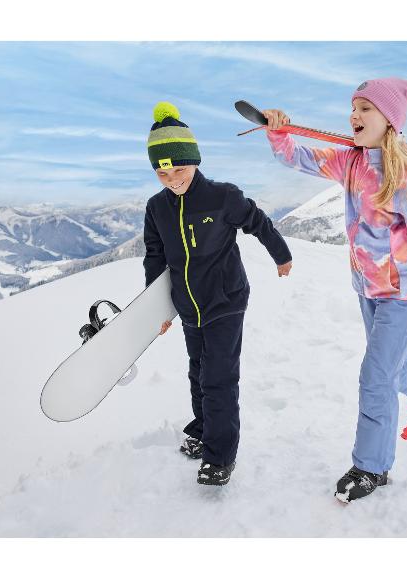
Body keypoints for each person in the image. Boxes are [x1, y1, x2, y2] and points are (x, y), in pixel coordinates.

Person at [261, 78, 407, 502]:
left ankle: (371, 467)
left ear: (389, 120)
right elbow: (298, 156)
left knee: (376, 376)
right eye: (352, 108)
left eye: (365, 109)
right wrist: (278, 131)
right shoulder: (349, 163)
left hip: (405, 293)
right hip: (367, 287)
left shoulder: (406, 178)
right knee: (391, 362)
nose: (354, 116)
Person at [143, 101, 293, 486]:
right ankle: (205, 431)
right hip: (189, 307)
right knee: (198, 373)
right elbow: (155, 258)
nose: (171, 177)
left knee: (218, 379)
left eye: (178, 168)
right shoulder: (157, 208)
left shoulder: (222, 197)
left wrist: (281, 255)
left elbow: (257, 221)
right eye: (162, 171)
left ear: (194, 160)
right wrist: (155, 309)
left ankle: (220, 455)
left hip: (226, 300)